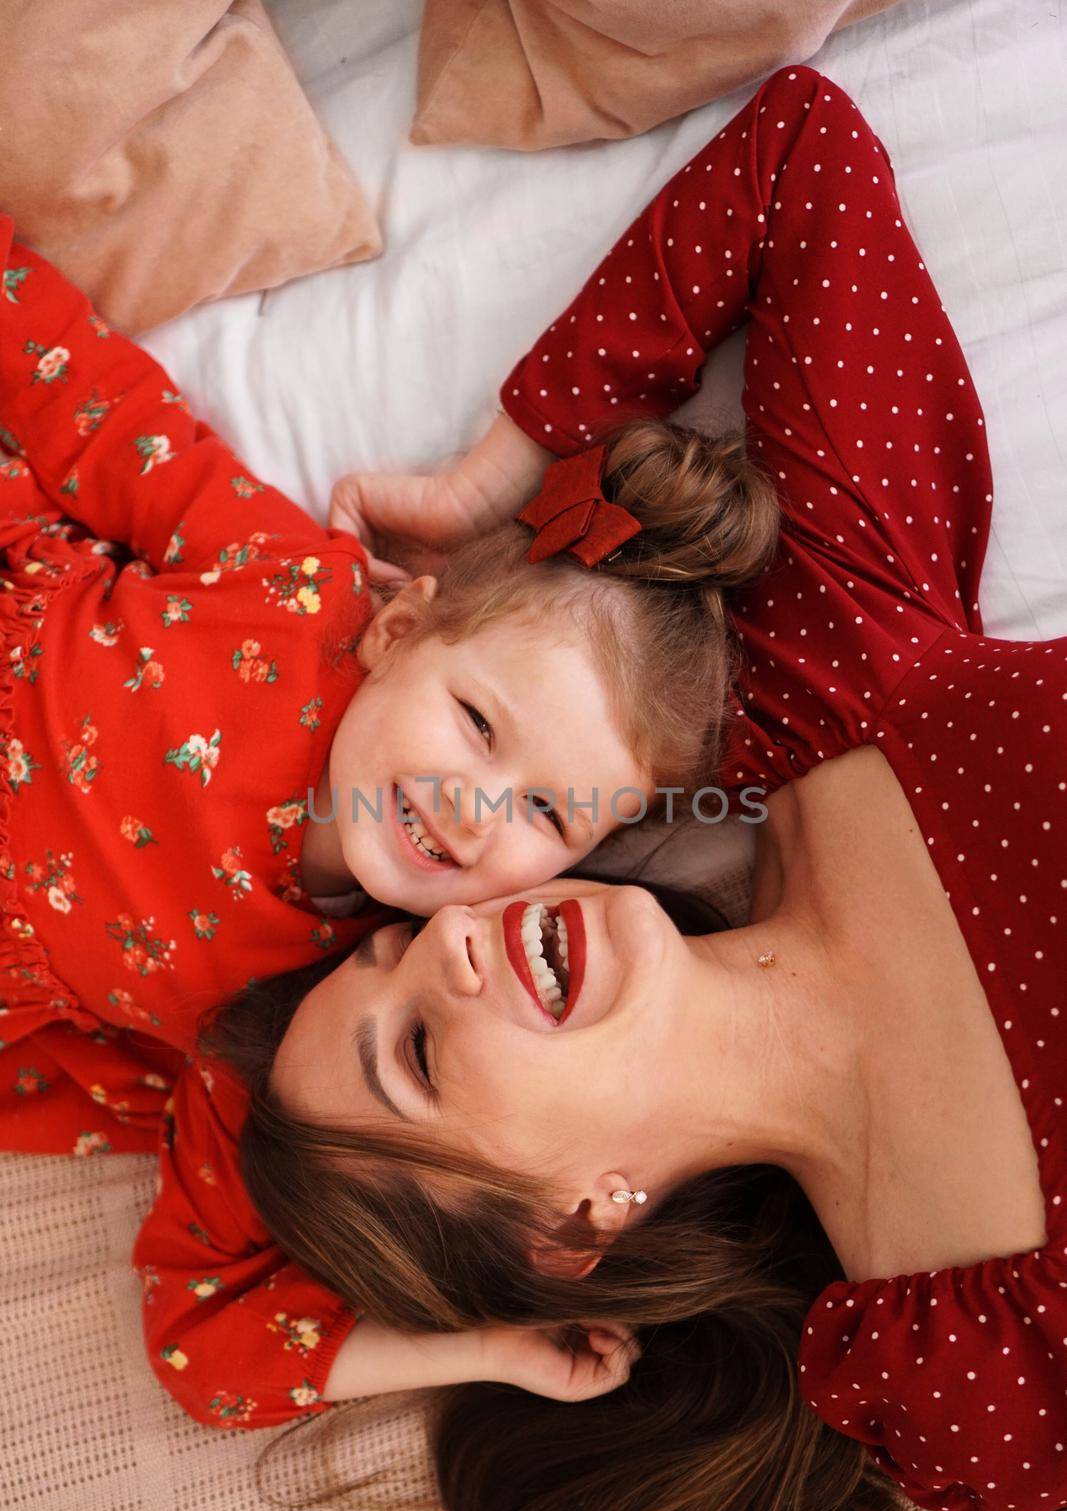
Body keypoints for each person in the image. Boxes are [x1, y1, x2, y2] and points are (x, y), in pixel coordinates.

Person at [183, 62, 1065, 1511]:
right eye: (418, 1054)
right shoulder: (961, 1373)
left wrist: (490, 479)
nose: (448, 943)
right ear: (565, 1232)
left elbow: (801, 160)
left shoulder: (815, 682)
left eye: (395, 945)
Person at [0, 209, 779, 1160]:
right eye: (478, 725)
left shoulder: (346, 999)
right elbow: (111, 422)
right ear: (400, 632)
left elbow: (201, 1142)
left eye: (547, 810)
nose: (474, 809)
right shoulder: (292, 593)